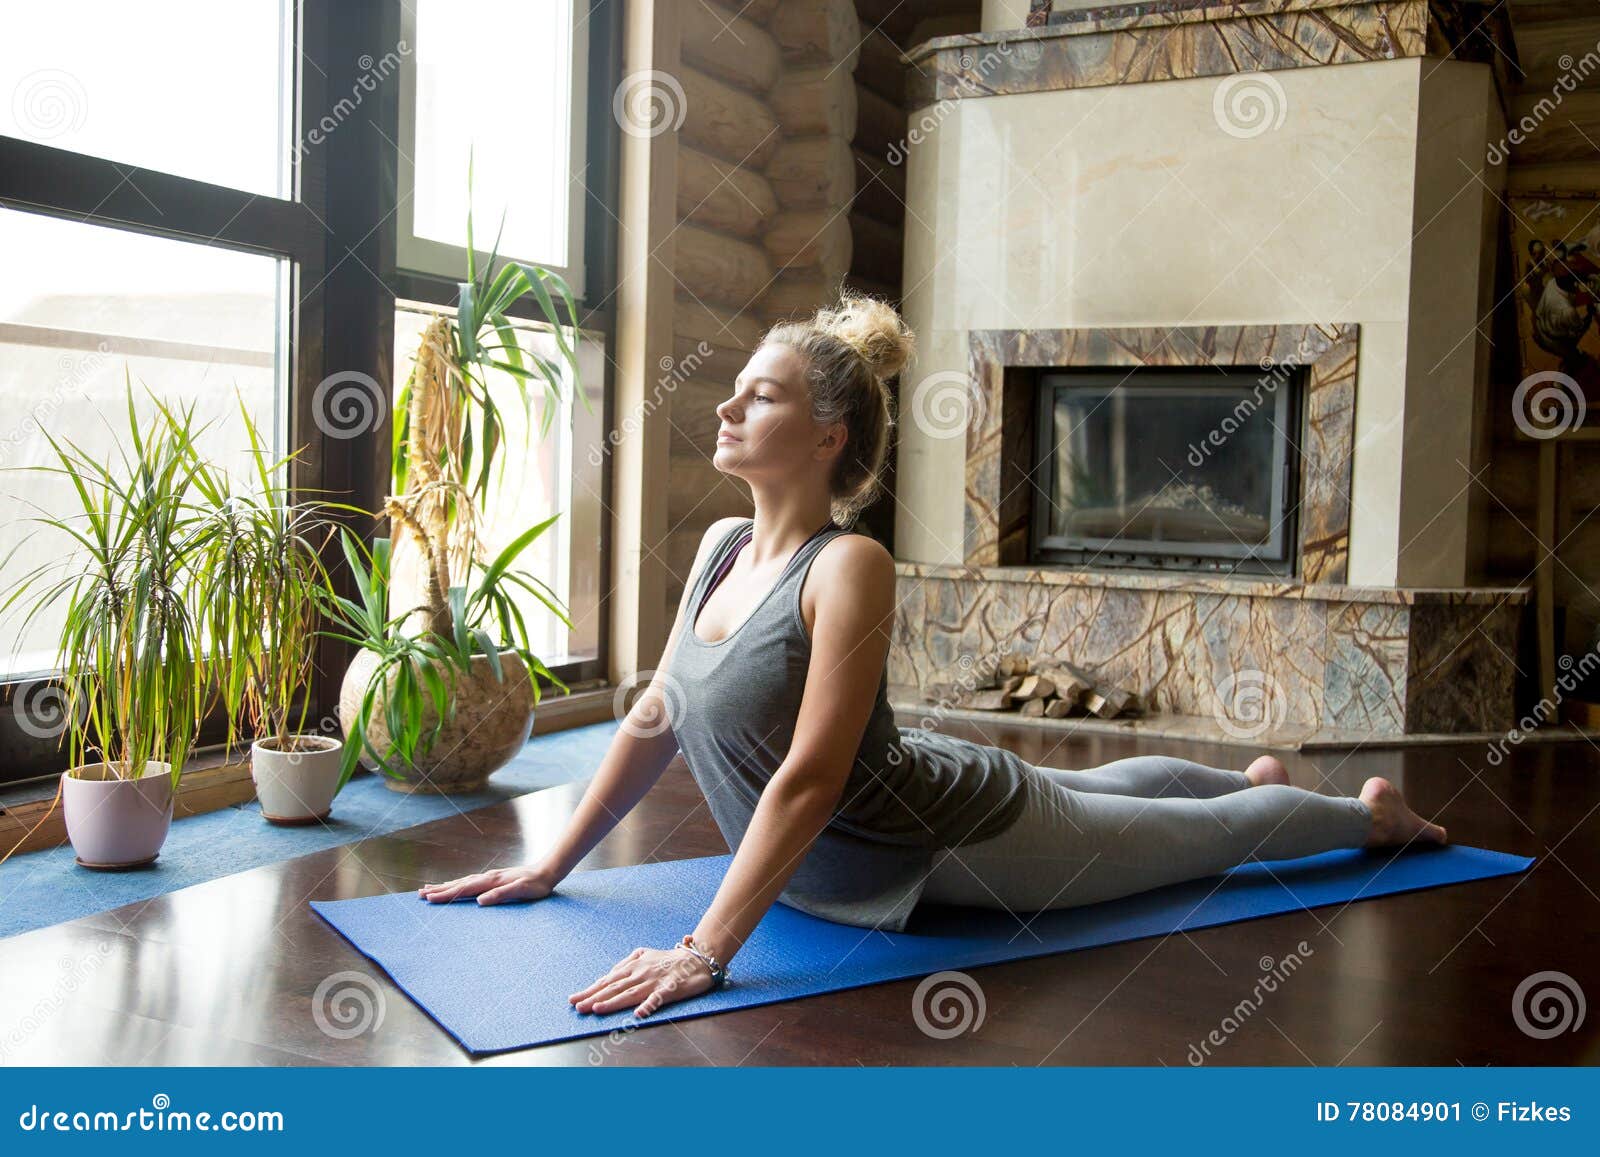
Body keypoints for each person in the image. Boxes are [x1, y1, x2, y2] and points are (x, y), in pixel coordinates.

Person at [416, 292, 1448, 1020]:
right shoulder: (717, 549)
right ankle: (1252, 776)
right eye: (734, 389)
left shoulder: (847, 564)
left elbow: (813, 775)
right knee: (1129, 787)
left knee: (1213, 839)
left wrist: (704, 946)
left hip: (955, 841)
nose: (726, 408)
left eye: (760, 396)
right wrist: (554, 863)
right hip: (887, 822)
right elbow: (655, 717)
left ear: (828, 435)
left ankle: (1366, 818)